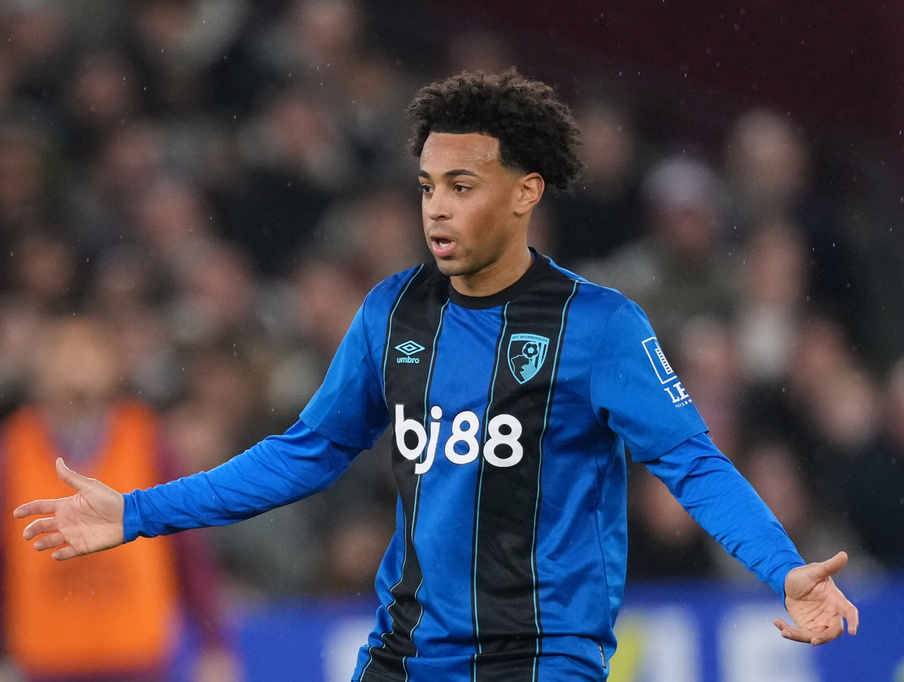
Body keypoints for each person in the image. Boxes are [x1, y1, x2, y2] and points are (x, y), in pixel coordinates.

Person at [14, 69, 858, 682]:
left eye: (462, 186)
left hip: (539, 657)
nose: (437, 209)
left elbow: (693, 464)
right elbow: (305, 453)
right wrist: (136, 511)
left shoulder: (597, 327)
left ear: (526, 192)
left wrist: (783, 567)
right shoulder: (393, 313)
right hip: (405, 652)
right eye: (426, 187)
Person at [0, 316, 236, 681]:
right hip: (45, 657)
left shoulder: (147, 438)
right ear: (37, 367)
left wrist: (214, 644)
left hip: (135, 653)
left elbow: (188, 547)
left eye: (87, 350)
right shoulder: (13, 448)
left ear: (113, 364)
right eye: (62, 350)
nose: (75, 361)